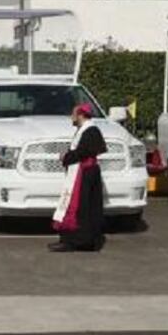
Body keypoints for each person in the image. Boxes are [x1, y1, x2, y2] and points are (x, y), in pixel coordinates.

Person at [50, 103, 107, 252]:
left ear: (81, 115)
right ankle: (75, 240)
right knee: (81, 207)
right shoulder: (85, 130)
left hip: (84, 173)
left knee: (79, 208)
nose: (72, 117)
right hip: (83, 172)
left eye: (73, 114)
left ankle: (77, 241)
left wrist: (67, 156)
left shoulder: (91, 131)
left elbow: (85, 151)